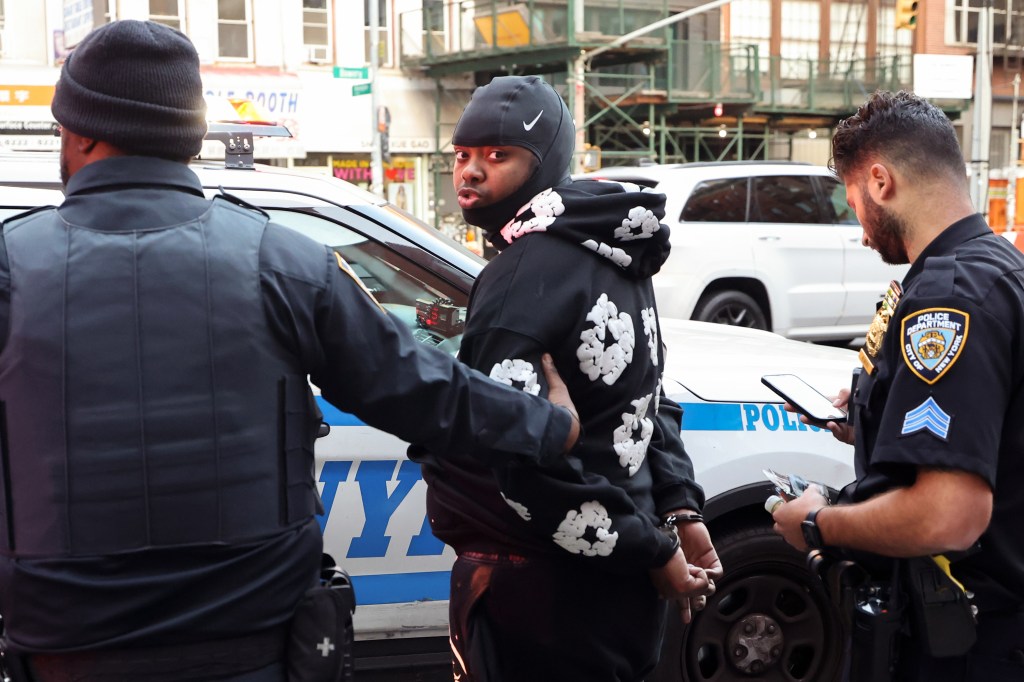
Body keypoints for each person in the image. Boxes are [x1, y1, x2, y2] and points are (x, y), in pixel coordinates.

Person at [0, 21, 582, 682]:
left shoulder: (11, 268)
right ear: (188, 138)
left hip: (65, 651)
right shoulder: (281, 263)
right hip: (255, 646)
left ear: (79, 131)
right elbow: (423, 391)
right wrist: (551, 424)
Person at [410, 75, 721, 681]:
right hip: (619, 596)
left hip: (543, 596)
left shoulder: (519, 274)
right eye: (462, 155)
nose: (470, 171)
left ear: (543, 161)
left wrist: (656, 547)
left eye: (498, 156)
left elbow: (522, 462)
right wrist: (678, 510)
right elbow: (647, 402)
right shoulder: (616, 253)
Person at [771, 90, 1024, 681]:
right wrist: (870, 416)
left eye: (852, 199)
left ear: (880, 181)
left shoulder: (949, 294)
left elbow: (949, 515)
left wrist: (816, 523)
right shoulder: (996, 268)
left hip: (965, 641)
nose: (860, 231)